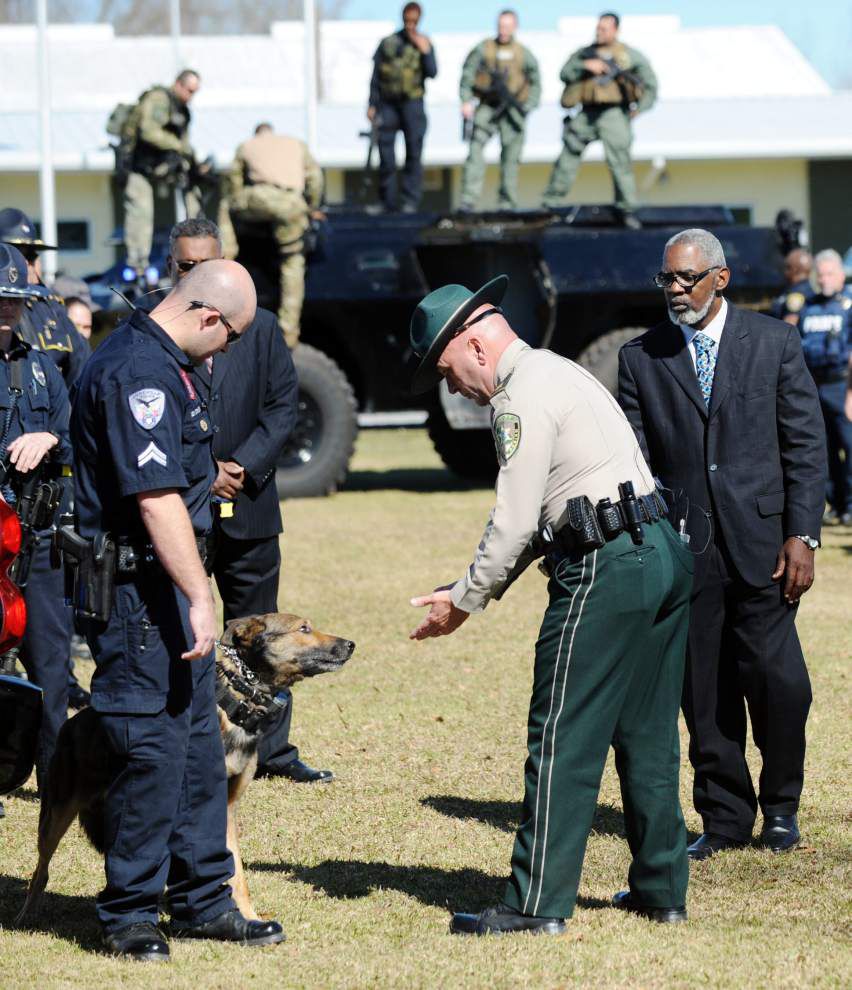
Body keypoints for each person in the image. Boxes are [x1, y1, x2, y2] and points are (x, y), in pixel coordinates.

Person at [408, 275, 693, 935]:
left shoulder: (519, 397)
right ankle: (661, 889)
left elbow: (512, 523)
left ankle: (534, 904)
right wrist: (471, 587)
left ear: (474, 345)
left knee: (562, 735)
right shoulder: (560, 372)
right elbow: (550, 518)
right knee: (648, 733)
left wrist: (465, 602)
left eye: (446, 372)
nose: (453, 389)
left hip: (606, 571)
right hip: (660, 553)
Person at [71, 259, 284, 959]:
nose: (228, 351)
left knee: (196, 748)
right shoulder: (139, 373)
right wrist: (200, 595)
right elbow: (157, 498)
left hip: (168, 587)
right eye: (231, 336)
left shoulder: (167, 364)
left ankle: (203, 901)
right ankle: (130, 912)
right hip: (140, 597)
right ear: (207, 317)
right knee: (151, 754)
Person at [618, 228, 826, 860]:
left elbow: (805, 446)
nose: (675, 292)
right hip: (686, 550)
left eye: (687, 279)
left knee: (778, 680)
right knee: (703, 694)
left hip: (765, 546)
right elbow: (634, 457)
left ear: (721, 278)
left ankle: (781, 807)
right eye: (667, 280)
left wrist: (802, 533)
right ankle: (726, 815)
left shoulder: (773, 342)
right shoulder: (640, 357)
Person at [165, 217, 332, 783]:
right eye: (185, 265)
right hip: (182, 506)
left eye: (205, 264)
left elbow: (283, 405)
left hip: (250, 503)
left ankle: (273, 751)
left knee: (266, 636)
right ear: (172, 265)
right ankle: (185, 742)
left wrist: (240, 466)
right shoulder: (152, 323)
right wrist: (201, 471)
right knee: (181, 628)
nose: (196, 275)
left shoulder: (257, 326)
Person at [0, 243, 74, 788]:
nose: (9, 308)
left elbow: (79, 438)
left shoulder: (43, 367)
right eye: (1, 298)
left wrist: (49, 436)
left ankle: (54, 778)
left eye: (17, 299)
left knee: (52, 670)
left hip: (39, 543)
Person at [541, 12, 657, 229]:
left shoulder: (628, 55)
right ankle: (550, 203)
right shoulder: (585, 53)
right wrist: (587, 66)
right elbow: (564, 73)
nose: (599, 32)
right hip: (586, 113)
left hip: (614, 113)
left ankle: (626, 209)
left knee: (619, 162)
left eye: (604, 28)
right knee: (568, 156)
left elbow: (651, 84)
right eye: (598, 28)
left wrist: (638, 110)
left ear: (616, 30)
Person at [223, 124, 324, 349]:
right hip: (291, 202)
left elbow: (233, 182)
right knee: (292, 263)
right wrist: (312, 207)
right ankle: (288, 332)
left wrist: (238, 203)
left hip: (260, 198)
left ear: (257, 132)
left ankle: (226, 256)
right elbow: (315, 177)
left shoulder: (247, 145)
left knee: (225, 205)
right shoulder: (296, 143)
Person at [123, 69, 204, 283]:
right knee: (141, 212)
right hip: (141, 167)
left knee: (193, 197)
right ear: (178, 84)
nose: (191, 96)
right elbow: (148, 131)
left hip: (166, 167)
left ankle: (199, 250)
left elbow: (184, 143)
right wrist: (178, 146)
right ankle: (137, 264)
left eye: (195, 92)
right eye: (189, 90)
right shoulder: (159, 99)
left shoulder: (182, 110)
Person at [458, 10, 541, 212]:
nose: (503, 30)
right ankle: (468, 200)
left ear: (515, 27)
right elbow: (468, 73)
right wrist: (466, 100)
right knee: (475, 149)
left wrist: (528, 106)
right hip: (488, 105)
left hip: (512, 109)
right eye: (500, 25)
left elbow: (536, 81)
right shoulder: (484, 48)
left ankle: (507, 203)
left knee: (511, 157)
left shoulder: (523, 53)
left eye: (507, 26)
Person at [0, 207, 90, 385]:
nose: (28, 262)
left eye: (32, 255)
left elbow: (82, 365)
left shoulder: (52, 307)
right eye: (17, 253)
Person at [796, 248, 852, 525]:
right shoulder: (809, 305)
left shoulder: (849, 305)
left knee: (850, 444)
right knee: (824, 448)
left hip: (842, 384)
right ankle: (837, 505)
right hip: (814, 385)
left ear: (841, 275)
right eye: (822, 274)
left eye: (831, 273)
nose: (826, 279)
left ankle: (851, 505)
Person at [368, 3, 437, 213]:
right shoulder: (388, 43)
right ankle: (386, 201)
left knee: (413, 154)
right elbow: (376, 76)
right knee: (386, 155)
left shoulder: (424, 43)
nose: (410, 25)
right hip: (388, 104)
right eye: (407, 20)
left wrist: (426, 52)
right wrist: (372, 103)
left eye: (414, 21)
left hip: (412, 104)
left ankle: (409, 202)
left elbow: (433, 72)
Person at [770, 248, 813, 325]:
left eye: (787, 267)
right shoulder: (811, 290)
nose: (784, 272)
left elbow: (789, 326)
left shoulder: (796, 294)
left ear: (794, 269)